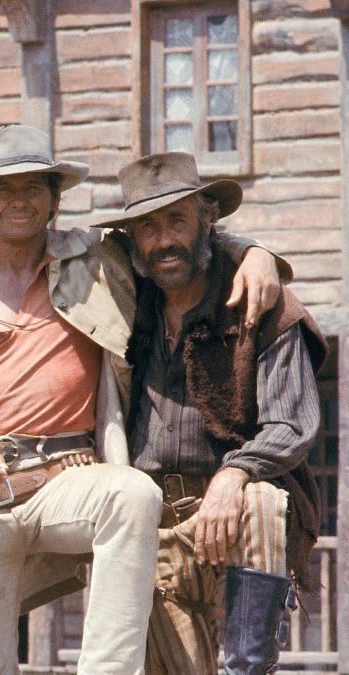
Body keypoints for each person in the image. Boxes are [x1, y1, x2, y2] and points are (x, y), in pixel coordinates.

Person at [0, 125, 285, 674]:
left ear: (55, 199)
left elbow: (174, 239)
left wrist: (254, 251)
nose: (19, 199)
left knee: (131, 495)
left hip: (68, 478)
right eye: (2, 188)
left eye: (34, 186)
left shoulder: (99, 264)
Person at [90, 152, 325, 675]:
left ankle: (250, 666)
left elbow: (292, 424)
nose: (164, 238)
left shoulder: (262, 304)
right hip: (152, 520)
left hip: (234, 518)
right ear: (131, 239)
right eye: (148, 226)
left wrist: (233, 474)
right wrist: (257, 249)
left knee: (261, 499)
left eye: (177, 219)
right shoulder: (126, 303)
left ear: (208, 220)